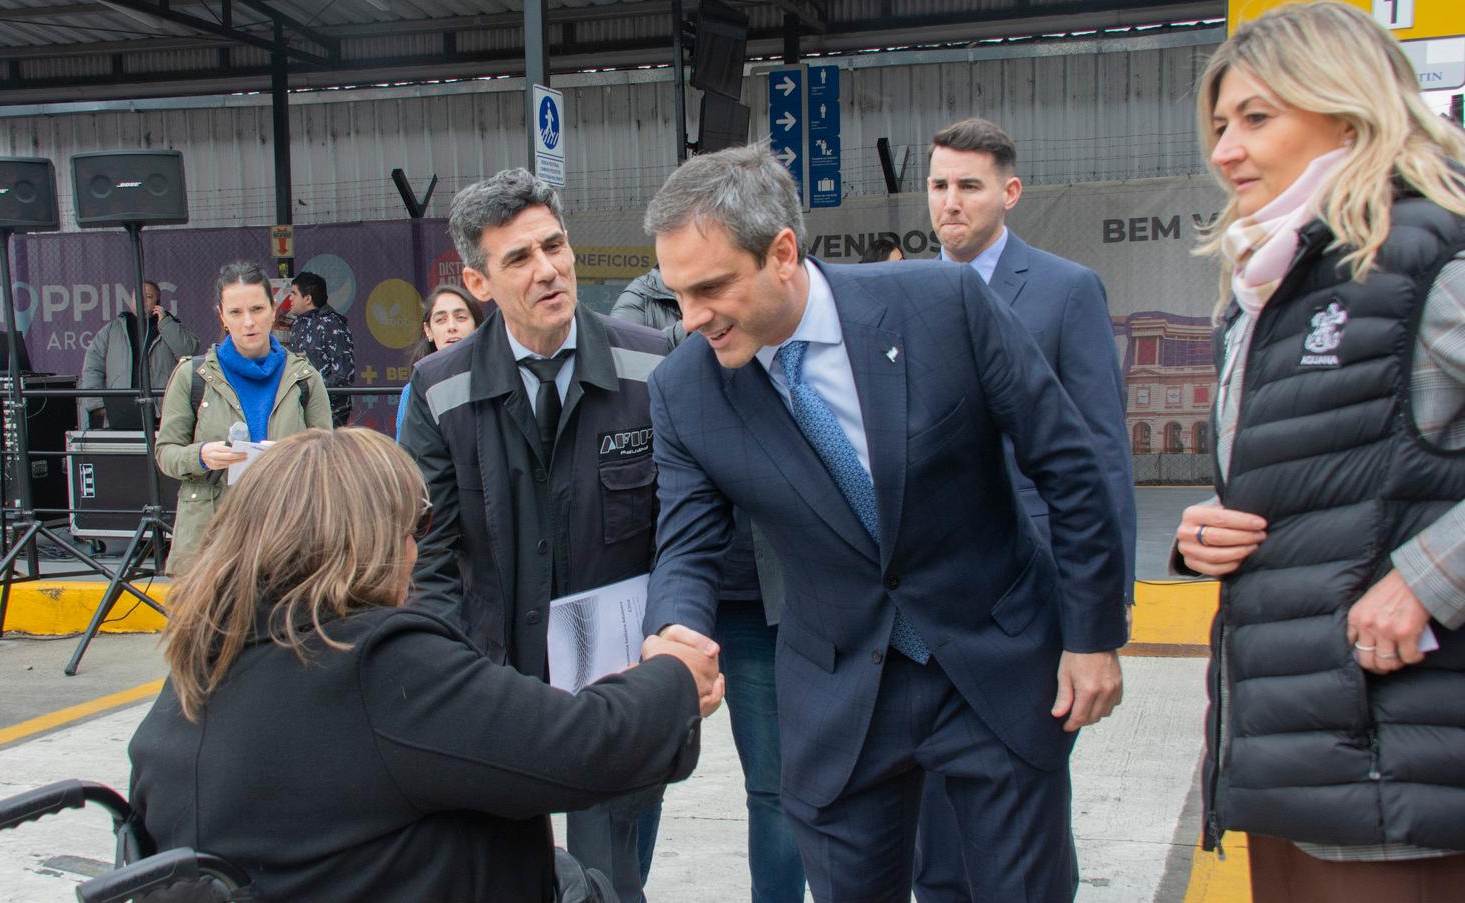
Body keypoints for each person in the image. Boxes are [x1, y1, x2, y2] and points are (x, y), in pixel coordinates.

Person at [642, 143, 1128, 902]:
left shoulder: (942, 305)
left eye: (711, 287)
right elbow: (687, 539)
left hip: (993, 664)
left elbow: (1068, 465)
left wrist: (1092, 634)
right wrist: (673, 625)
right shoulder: (685, 390)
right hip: (841, 696)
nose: (693, 317)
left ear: (781, 252)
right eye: (677, 294)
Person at [129, 427, 723, 902]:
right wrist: (673, 678)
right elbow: (579, 745)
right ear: (371, 541)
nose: (419, 550)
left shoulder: (204, 658)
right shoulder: (373, 663)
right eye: (419, 525)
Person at [1172, 4, 1465, 899]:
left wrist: (1431, 574)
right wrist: (1201, 536)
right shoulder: (1272, 282)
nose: (1226, 150)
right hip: (1296, 753)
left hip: (1400, 768)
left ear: (1347, 112)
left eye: (1257, 118)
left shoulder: (1429, 252)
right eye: (1221, 125)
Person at [398, 169, 674, 903]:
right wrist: (442, 680)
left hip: (615, 688)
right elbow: (430, 557)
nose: (548, 269)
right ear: (478, 281)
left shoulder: (653, 365)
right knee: (497, 879)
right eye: (518, 257)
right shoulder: (438, 388)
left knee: (611, 883)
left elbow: (681, 529)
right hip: (490, 681)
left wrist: (664, 645)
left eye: (554, 245)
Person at [918, 116, 1138, 902]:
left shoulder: (1064, 291)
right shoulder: (902, 292)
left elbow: (1102, 459)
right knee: (933, 830)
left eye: (969, 186)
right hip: (929, 604)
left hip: (1034, 598)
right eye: (939, 185)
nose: (950, 202)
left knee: (1024, 818)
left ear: (1009, 193)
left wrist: (1100, 619)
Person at [612, 268, 808, 903]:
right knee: (639, 775)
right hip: (669, 596)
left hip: (762, 602)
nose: (700, 310)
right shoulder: (644, 306)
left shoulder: (784, 328)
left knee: (777, 785)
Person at [156, 261, 333, 574]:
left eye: (257, 309)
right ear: (221, 315)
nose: (248, 322)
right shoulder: (191, 376)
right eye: (236, 312)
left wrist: (293, 458)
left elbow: (327, 456)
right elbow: (166, 453)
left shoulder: (304, 378)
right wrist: (201, 455)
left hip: (286, 534)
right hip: (211, 538)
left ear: (273, 308)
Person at [80, 279, 200, 427]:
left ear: (158, 301)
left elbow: (189, 352)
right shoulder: (113, 329)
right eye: (137, 296)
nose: (142, 301)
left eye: (148, 297)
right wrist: (97, 404)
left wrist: (166, 323)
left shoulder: (170, 326)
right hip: (122, 411)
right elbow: (93, 366)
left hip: (163, 411)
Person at [394, 284, 484, 432]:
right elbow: (406, 453)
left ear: (477, 326)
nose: (451, 327)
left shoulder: (499, 377)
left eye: (461, 318)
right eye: (441, 320)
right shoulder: (414, 391)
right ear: (428, 331)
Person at [285, 270, 357, 426]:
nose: (290, 298)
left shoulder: (332, 324)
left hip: (330, 412)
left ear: (308, 298)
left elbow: (343, 375)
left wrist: (313, 392)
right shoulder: (297, 324)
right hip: (299, 409)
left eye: (294, 293)